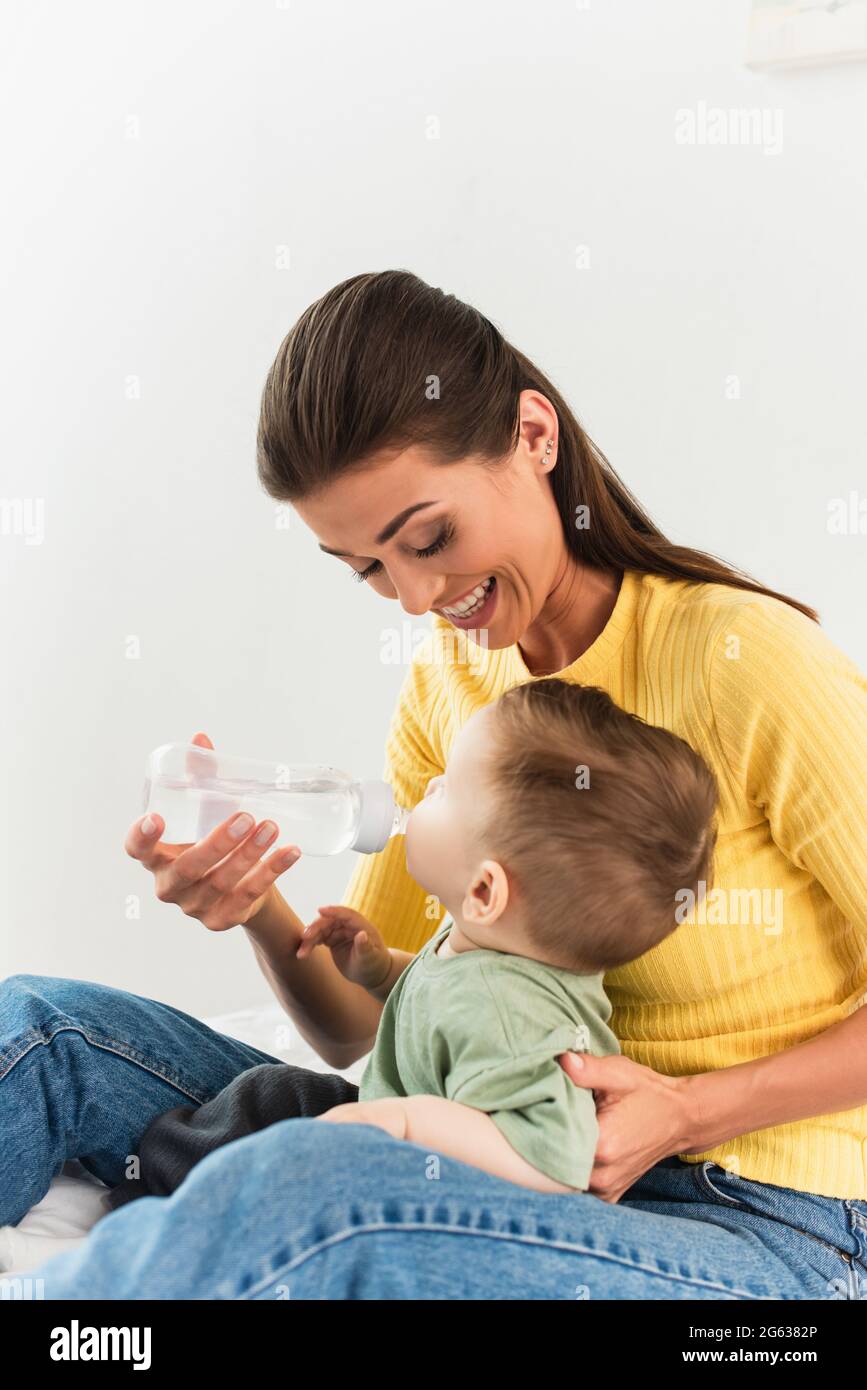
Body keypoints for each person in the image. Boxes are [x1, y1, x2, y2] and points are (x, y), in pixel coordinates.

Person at [3, 270, 866, 1299]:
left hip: (762, 1216)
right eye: (367, 567)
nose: (415, 596)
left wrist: (685, 1111)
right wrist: (257, 908)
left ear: (532, 438)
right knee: (44, 1031)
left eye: (427, 539)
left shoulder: (747, 662)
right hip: (481, 1139)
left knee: (313, 1191)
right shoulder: (455, 680)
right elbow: (376, 1033)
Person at [100, 681, 718, 1207]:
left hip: (447, 1197)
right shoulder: (490, 943)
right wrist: (379, 969)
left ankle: (164, 1204)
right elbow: (441, 1002)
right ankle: (156, 1182)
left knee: (284, 1138)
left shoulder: (512, 1014)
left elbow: (557, 1157)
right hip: (402, 1145)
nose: (423, 792)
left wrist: (402, 1123)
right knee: (273, 1094)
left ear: (484, 889)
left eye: (445, 790)